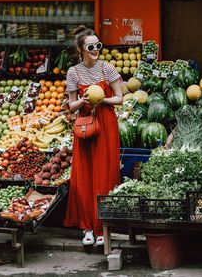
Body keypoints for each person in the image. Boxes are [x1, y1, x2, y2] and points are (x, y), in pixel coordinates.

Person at [63, 25, 123, 246]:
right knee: (85, 175)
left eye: (98, 45)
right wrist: (84, 100)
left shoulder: (107, 68)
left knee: (105, 174)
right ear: (81, 49)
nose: (96, 49)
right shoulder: (73, 72)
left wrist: (101, 100)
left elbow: (120, 98)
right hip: (85, 126)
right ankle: (87, 227)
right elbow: (71, 105)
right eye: (91, 46)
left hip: (106, 123)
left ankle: (102, 227)